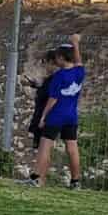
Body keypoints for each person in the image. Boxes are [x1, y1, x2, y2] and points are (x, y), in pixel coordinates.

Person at [31, 38, 87, 188]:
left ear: (61, 58)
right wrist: (76, 44)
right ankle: (75, 181)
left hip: (56, 116)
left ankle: (36, 178)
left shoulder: (59, 76)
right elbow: (79, 61)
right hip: (71, 116)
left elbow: (53, 99)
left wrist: (43, 117)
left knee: (45, 146)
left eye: (56, 57)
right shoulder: (79, 72)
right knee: (72, 148)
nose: (55, 60)